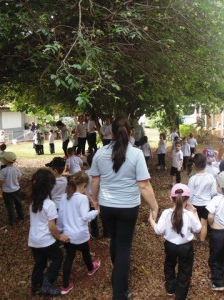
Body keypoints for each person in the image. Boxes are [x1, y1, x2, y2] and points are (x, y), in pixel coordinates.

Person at [90, 116, 159, 300]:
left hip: (107, 207)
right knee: (123, 247)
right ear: (130, 133)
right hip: (128, 207)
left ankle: (118, 276)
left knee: (115, 239)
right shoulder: (136, 154)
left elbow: (95, 181)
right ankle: (119, 293)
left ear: (111, 132)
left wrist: (94, 200)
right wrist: (154, 206)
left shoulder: (99, 153)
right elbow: (144, 186)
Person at [148, 184, 201, 299]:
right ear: (187, 199)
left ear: (170, 197)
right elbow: (198, 228)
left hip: (170, 246)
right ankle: (181, 295)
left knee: (169, 264)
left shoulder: (166, 213)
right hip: (186, 247)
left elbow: (158, 230)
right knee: (185, 269)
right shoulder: (189, 214)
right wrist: (194, 211)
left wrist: (151, 220)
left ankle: (170, 288)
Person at [57, 171, 100, 295]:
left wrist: (60, 231)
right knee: (85, 252)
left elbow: (60, 215)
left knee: (69, 258)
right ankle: (91, 268)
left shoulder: (65, 196)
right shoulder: (82, 198)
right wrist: (96, 212)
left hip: (68, 235)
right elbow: (85, 216)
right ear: (84, 185)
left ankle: (65, 285)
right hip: (80, 234)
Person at [28, 168, 69, 296]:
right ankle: (47, 282)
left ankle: (35, 285)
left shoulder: (33, 202)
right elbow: (52, 227)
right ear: (49, 187)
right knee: (58, 257)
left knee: (40, 262)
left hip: (33, 240)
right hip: (46, 240)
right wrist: (60, 237)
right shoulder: (49, 204)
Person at [188, 153, 217, 242]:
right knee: (204, 223)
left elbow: (190, 194)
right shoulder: (211, 177)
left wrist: (189, 205)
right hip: (207, 204)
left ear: (194, 165)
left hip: (195, 204)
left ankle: (193, 237)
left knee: (193, 221)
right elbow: (213, 192)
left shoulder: (193, 179)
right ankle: (202, 240)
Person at [0, 152, 24, 225]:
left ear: (5, 160)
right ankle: (21, 216)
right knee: (18, 203)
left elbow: (1, 182)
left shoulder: (3, 171)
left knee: (10, 206)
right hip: (16, 190)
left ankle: (12, 221)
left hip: (7, 192)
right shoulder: (16, 169)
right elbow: (20, 177)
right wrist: (16, 182)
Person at [85, 153, 99, 238]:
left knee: (93, 215)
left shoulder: (86, 173)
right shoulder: (101, 172)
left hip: (89, 197)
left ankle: (95, 233)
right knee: (102, 214)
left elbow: (84, 188)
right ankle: (107, 232)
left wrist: (90, 198)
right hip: (99, 196)